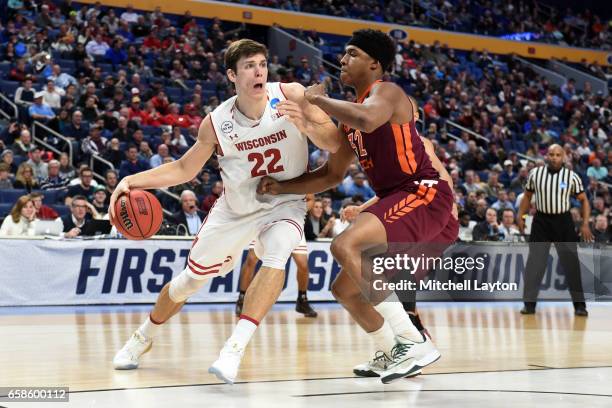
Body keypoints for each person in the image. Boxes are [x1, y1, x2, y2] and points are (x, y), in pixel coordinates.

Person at [109, 39, 341, 384]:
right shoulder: (216, 122)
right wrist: (132, 179)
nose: (259, 70)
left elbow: (334, 142)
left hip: (285, 200)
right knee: (189, 282)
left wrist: (308, 124)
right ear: (232, 74)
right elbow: (184, 169)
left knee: (279, 252)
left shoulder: (291, 94)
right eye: (249, 65)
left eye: (262, 63)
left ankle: (234, 348)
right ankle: (142, 337)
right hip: (235, 209)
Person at [257, 29, 458, 383]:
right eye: (344, 53)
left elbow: (368, 118)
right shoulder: (350, 122)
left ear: (374, 64)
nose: (343, 60)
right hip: (398, 198)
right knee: (344, 290)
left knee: (345, 244)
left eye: (352, 53)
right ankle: (388, 349)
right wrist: (282, 187)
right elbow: (331, 175)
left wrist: (317, 101)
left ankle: (413, 340)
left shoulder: (387, 92)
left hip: (423, 194)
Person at [517, 144, 592, 316]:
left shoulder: (572, 176)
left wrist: (585, 223)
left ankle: (580, 306)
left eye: (558, 155)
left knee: (571, 264)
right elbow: (527, 196)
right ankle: (529, 305)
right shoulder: (535, 174)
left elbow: (584, 200)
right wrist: (520, 215)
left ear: (563, 157)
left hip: (563, 221)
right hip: (541, 221)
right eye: (551, 154)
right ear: (546, 156)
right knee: (534, 264)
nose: (554, 157)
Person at [236, 194, 318, 318]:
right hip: (268, 220)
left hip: (293, 222)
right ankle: (242, 298)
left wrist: (299, 209)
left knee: (303, 264)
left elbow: (311, 199)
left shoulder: (302, 177)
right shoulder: (275, 176)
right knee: (251, 259)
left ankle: (302, 300)